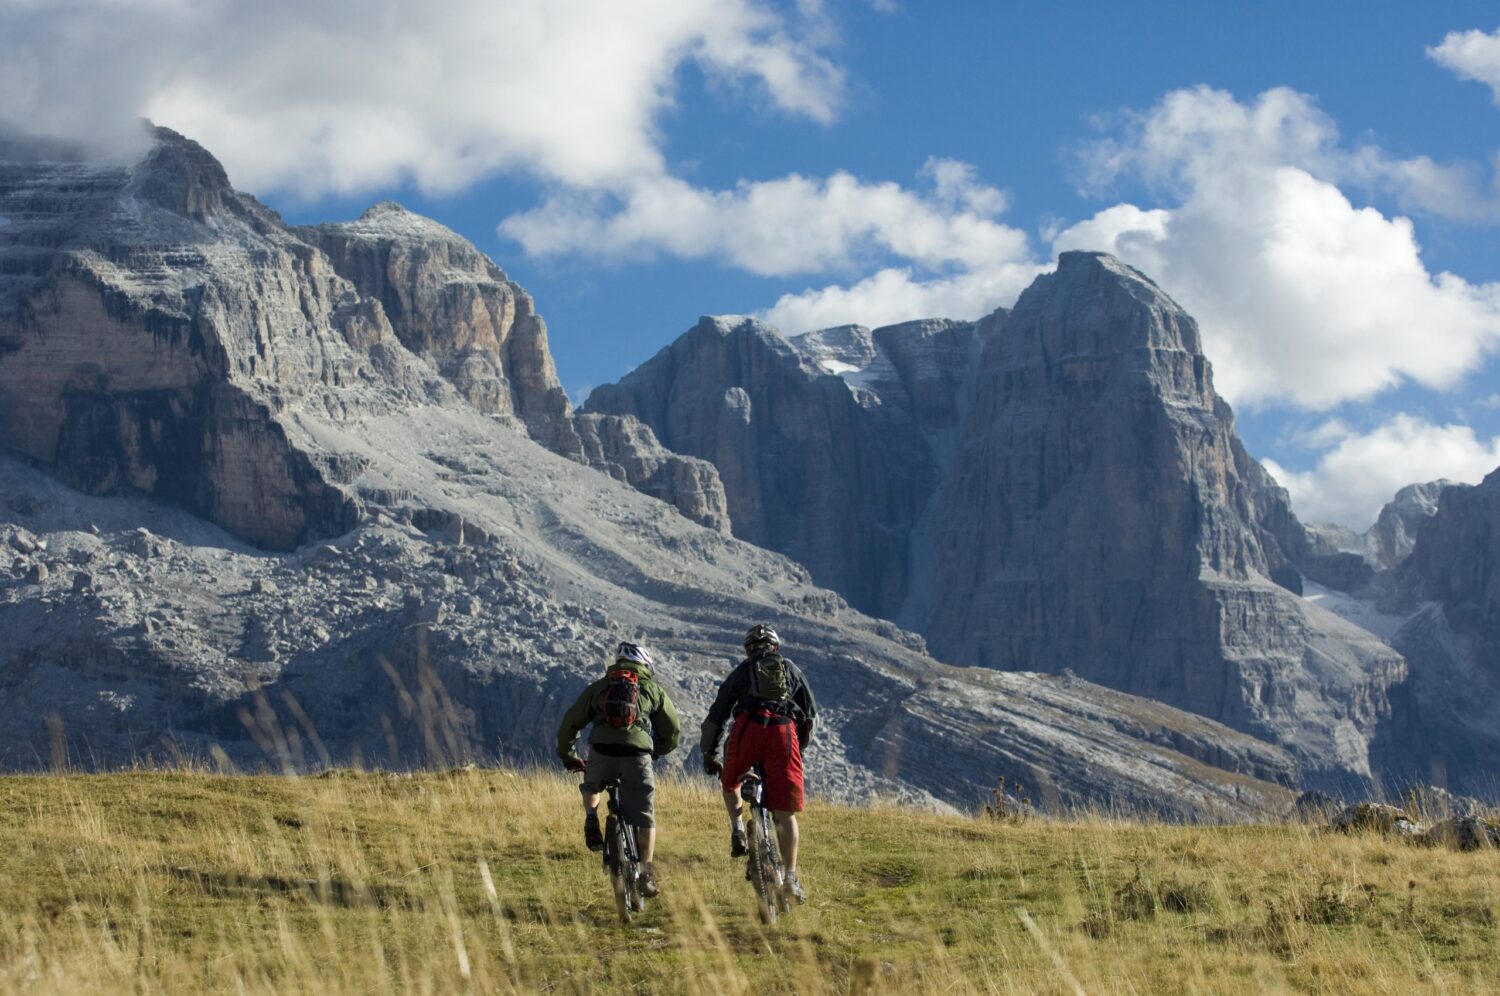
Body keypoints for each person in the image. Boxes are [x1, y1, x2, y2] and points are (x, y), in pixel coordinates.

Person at [700, 623, 817, 904]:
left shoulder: (741, 671)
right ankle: (790, 876)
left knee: (731, 780)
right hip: (782, 731)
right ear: (775, 648)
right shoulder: (789, 669)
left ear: (748, 649)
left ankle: (738, 828)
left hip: (748, 728)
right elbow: (810, 713)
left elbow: (717, 714)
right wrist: (799, 746)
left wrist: (709, 753)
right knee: (786, 812)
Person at [557, 641, 681, 898]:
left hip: (601, 751)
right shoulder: (652, 689)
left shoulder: (600, 687)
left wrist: (568, 755)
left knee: (591, 785)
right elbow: (672, 731)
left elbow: (570, 723)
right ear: (646, 665)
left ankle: (592, 815)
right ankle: (646, 873)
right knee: (645, 813)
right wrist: (657, 750)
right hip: (636, 755)